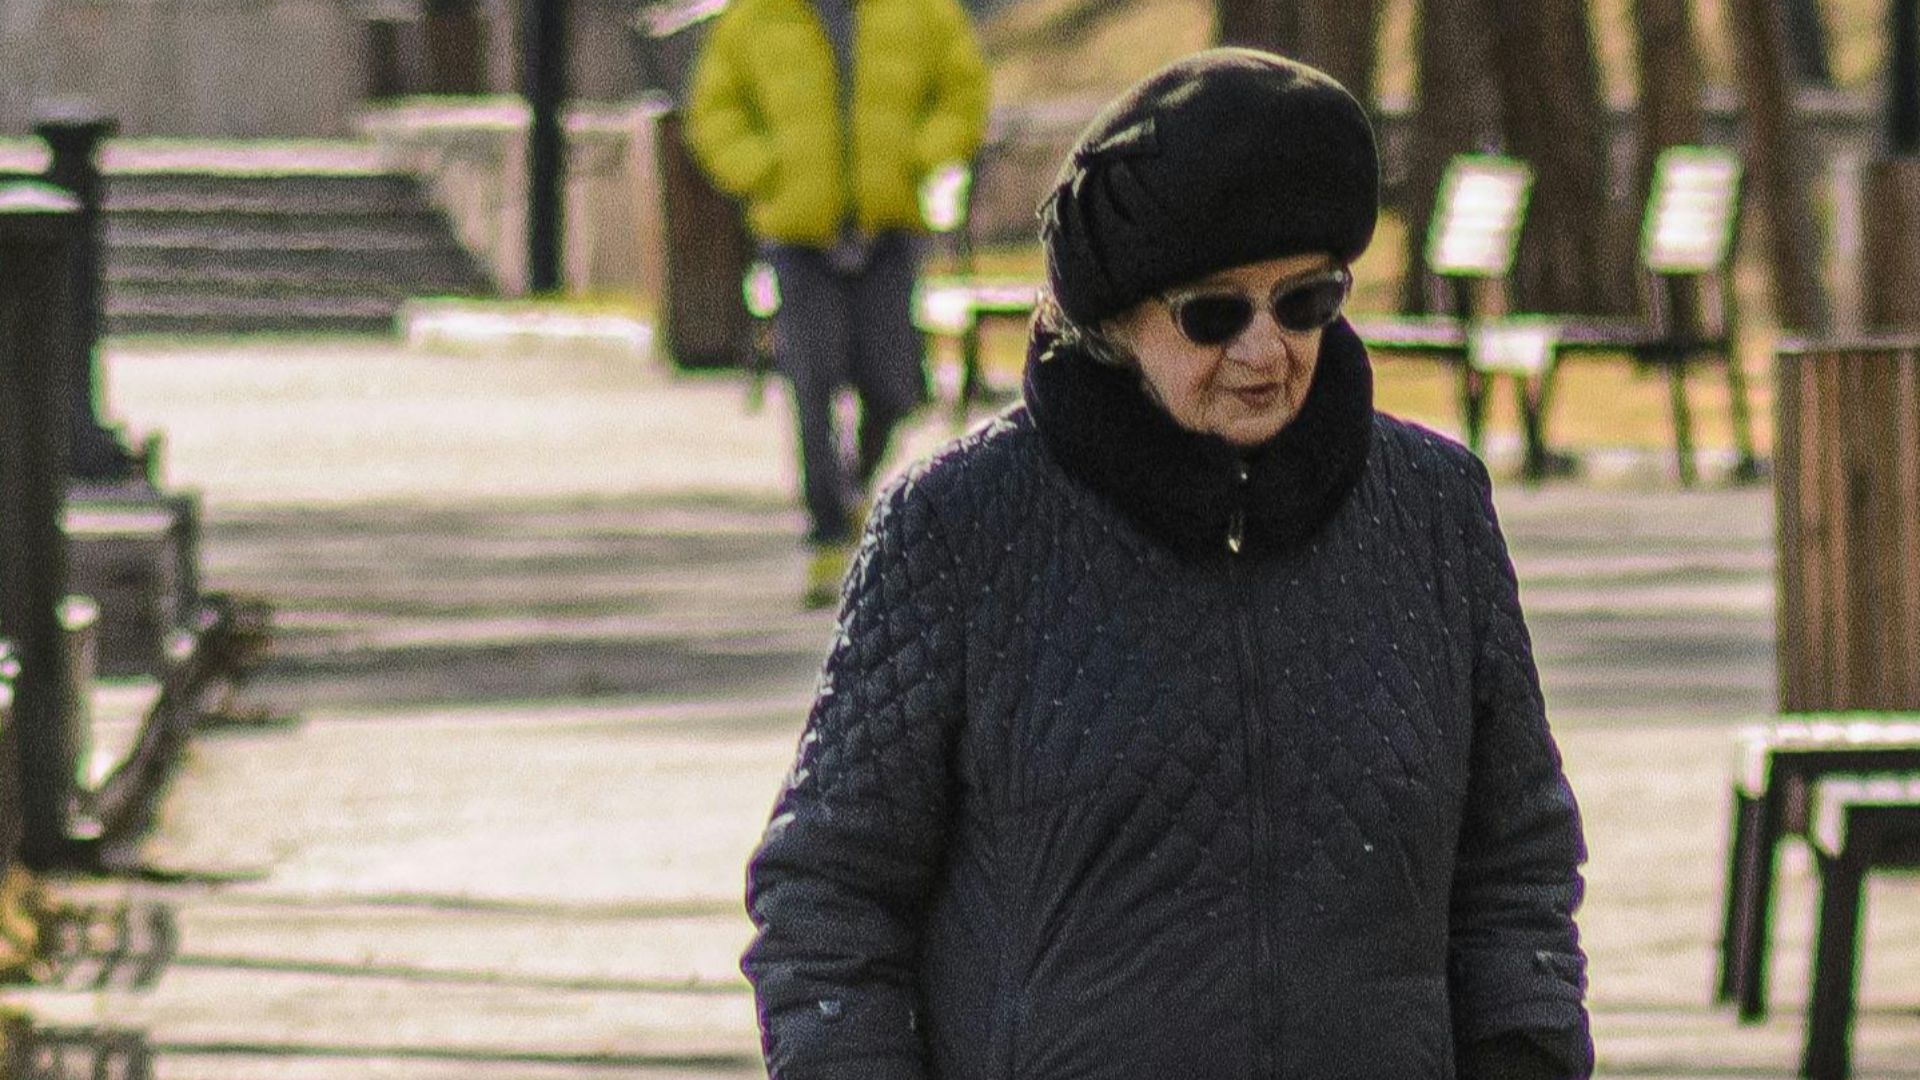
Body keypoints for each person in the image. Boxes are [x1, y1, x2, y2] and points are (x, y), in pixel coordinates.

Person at [741, 48, 1594, 1080]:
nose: (1265, 349)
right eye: (1214, 313)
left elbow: (1516, 864)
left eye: (1306, 301)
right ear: (1115, 323)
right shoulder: (960, 530)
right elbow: (828, 893)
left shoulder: (1433, 513)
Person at [684, 0, 990, 608]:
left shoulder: (923, 13)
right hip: (799, 236)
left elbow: (964, 91)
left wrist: (920, 158)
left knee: (898, 385)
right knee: (812, 380)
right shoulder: (756, 18)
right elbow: (714, 112)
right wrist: (764, 170)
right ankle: (826, 529)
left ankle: (852, 489)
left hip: (888, 228)